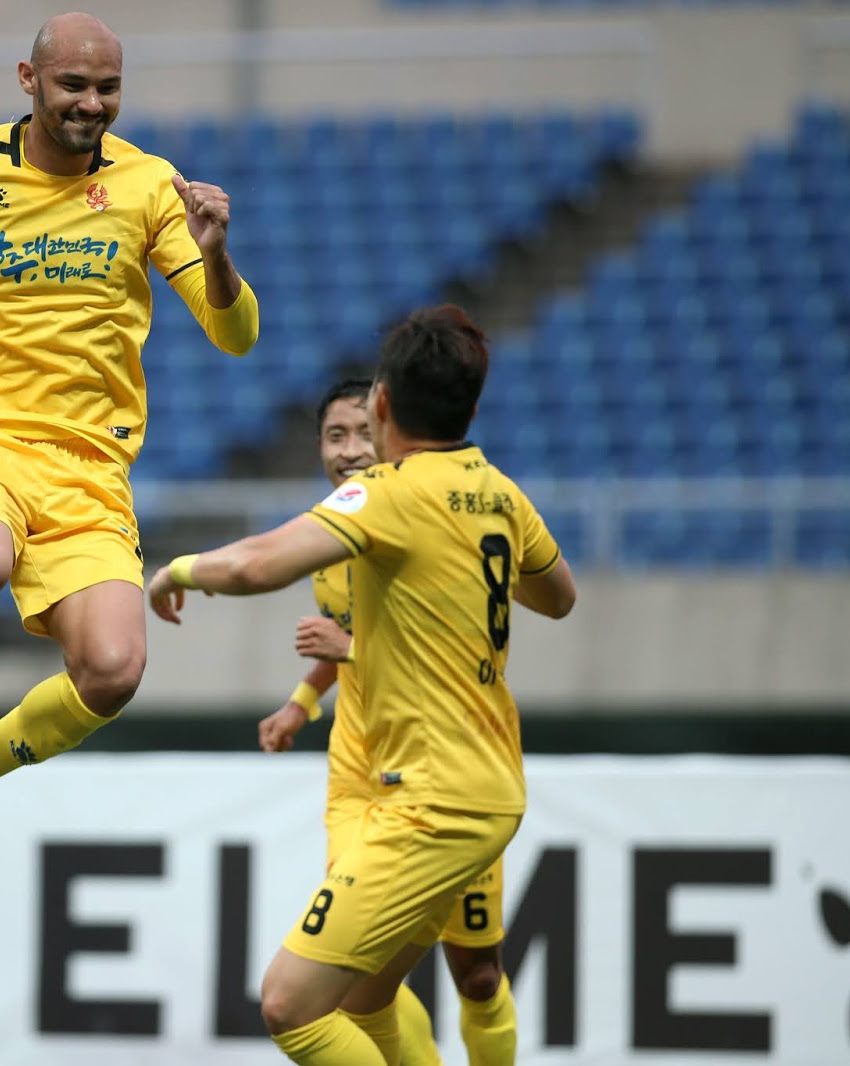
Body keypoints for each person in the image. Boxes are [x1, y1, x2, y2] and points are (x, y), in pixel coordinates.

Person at [0, 11, 258, 901]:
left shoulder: (150, 188)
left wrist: (218, 260)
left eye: (107, 89)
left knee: (114, 672)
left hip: (87, 466)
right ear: (28, 82)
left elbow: (236, 335)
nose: (91, 104)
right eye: (73, 86)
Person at [148, 306, 576, 1066]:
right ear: (472, 408)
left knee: (291, 1004)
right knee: (369, 995)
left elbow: (254, 566)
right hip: (467, 780)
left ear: (381, 406)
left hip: (431, 801)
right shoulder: (503, 495)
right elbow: (558, 595)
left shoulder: (387, 496)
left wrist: (178, 570)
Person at [259, 377, 519, 1066]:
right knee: (361, 973)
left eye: (361, 434)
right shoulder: (331, 536)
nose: (349, 451)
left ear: (391, 431)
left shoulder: (430, 515)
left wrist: (348, 650)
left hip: (447, 773)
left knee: (480, 973)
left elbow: (449, 647)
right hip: (368, 778)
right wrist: (301, 702)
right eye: (333, 437)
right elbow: (347, 640)